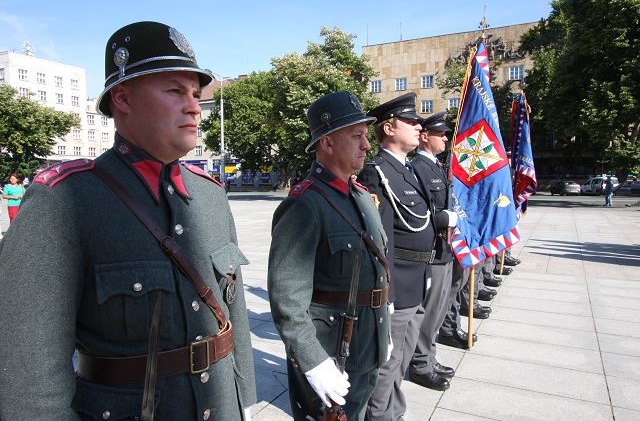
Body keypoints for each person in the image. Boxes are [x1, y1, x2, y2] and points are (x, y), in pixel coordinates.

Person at [0, 21, 256, 420]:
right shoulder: (66, 199)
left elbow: (232, 317)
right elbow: (28, 374)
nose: (193, 105)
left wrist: (245, 401)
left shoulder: (209, 194)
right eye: (175, 90)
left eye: (195, 92)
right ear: (122, 97)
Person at [268, 91, 390, 420]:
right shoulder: (304, 205)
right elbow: (287, 302)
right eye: (357, 136)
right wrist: (312, 362)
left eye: (366, 136)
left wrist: (385, 328)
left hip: (367, 346)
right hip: (331, 354)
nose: (367, 144)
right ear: (328, 143)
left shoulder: (362, 197)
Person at [357, 92, 436, 421]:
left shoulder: (408, 169)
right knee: (388, 364)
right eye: (412, 121)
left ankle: (395, 412)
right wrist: (384, 289)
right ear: (389, 128)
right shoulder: (378, 172)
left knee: (402, 360)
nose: (420, 126)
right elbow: (380, 241)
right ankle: (380, 416)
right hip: (397, 285)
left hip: (416, 279)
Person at [408, 112, 458, 391]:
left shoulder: (437, 166)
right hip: (432, 251)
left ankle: (429, 354)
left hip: (445, 248)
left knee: (438, 309)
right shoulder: (418, 167)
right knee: (428, 311)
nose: (446, 139)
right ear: (425, 136)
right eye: (441, 134)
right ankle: (420, 363)